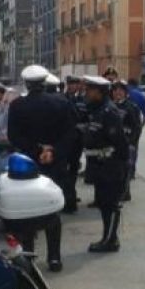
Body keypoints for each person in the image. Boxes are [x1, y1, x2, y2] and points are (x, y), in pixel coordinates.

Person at [7, 65, 76, 272]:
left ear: (26, 83)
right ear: (45, 82)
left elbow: (13, 136)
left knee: (29, 208)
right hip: (55, 163)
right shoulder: (62, 103)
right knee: (53, 208)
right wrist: (53, 151)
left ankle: (29, 255)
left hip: (29, 164)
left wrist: (37, 150)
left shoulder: (17, 106)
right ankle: (54, 257)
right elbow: (71, 133)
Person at [80, 75, 129, 253]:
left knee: (111, 204)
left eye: (90, 90)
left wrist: (123, 167)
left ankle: (110, 240)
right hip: (100, 165)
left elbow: (120, 142)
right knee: (103, 203)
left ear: (100, 92)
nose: (87, 93)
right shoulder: (97, 110)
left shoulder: (109, 112)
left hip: (111, 165)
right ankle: (108, 238)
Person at [112, 80, 142, 202]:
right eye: (115, 90)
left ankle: (125, 193)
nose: (118, 93)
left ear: (125, 92)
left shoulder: (131, 107)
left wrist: (132, 143)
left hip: (127, 143)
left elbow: (137, 127)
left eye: (120, 90)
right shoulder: (111, 106)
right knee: (115, 170)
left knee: (125, 170)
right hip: (114, 143)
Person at [63, 76, 88, 213]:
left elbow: (87, 119)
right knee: (64, 170)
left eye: (75, 83)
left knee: (73, 170)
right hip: (64, 140)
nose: (72, 86)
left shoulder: (83, 100)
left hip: (77, 140)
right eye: (70, 84)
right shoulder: (61, 98)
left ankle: (70, 195)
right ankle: (69, 196)